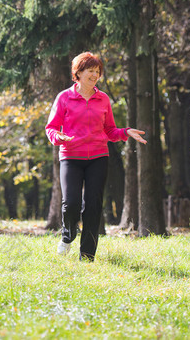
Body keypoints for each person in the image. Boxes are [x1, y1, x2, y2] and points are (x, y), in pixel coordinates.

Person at [46, 52, 147, 261]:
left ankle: (87, 256)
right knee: (71, 203)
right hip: (71, 156)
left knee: (93, 205)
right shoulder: (64, 97)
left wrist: (125, 132)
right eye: (90, 71)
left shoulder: (103, 99)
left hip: (98, 157)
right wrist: (58, 137)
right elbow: (51, 128)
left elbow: (110, 130)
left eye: (97, 71)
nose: (94, 75)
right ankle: (68, 235)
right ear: (78, 73)